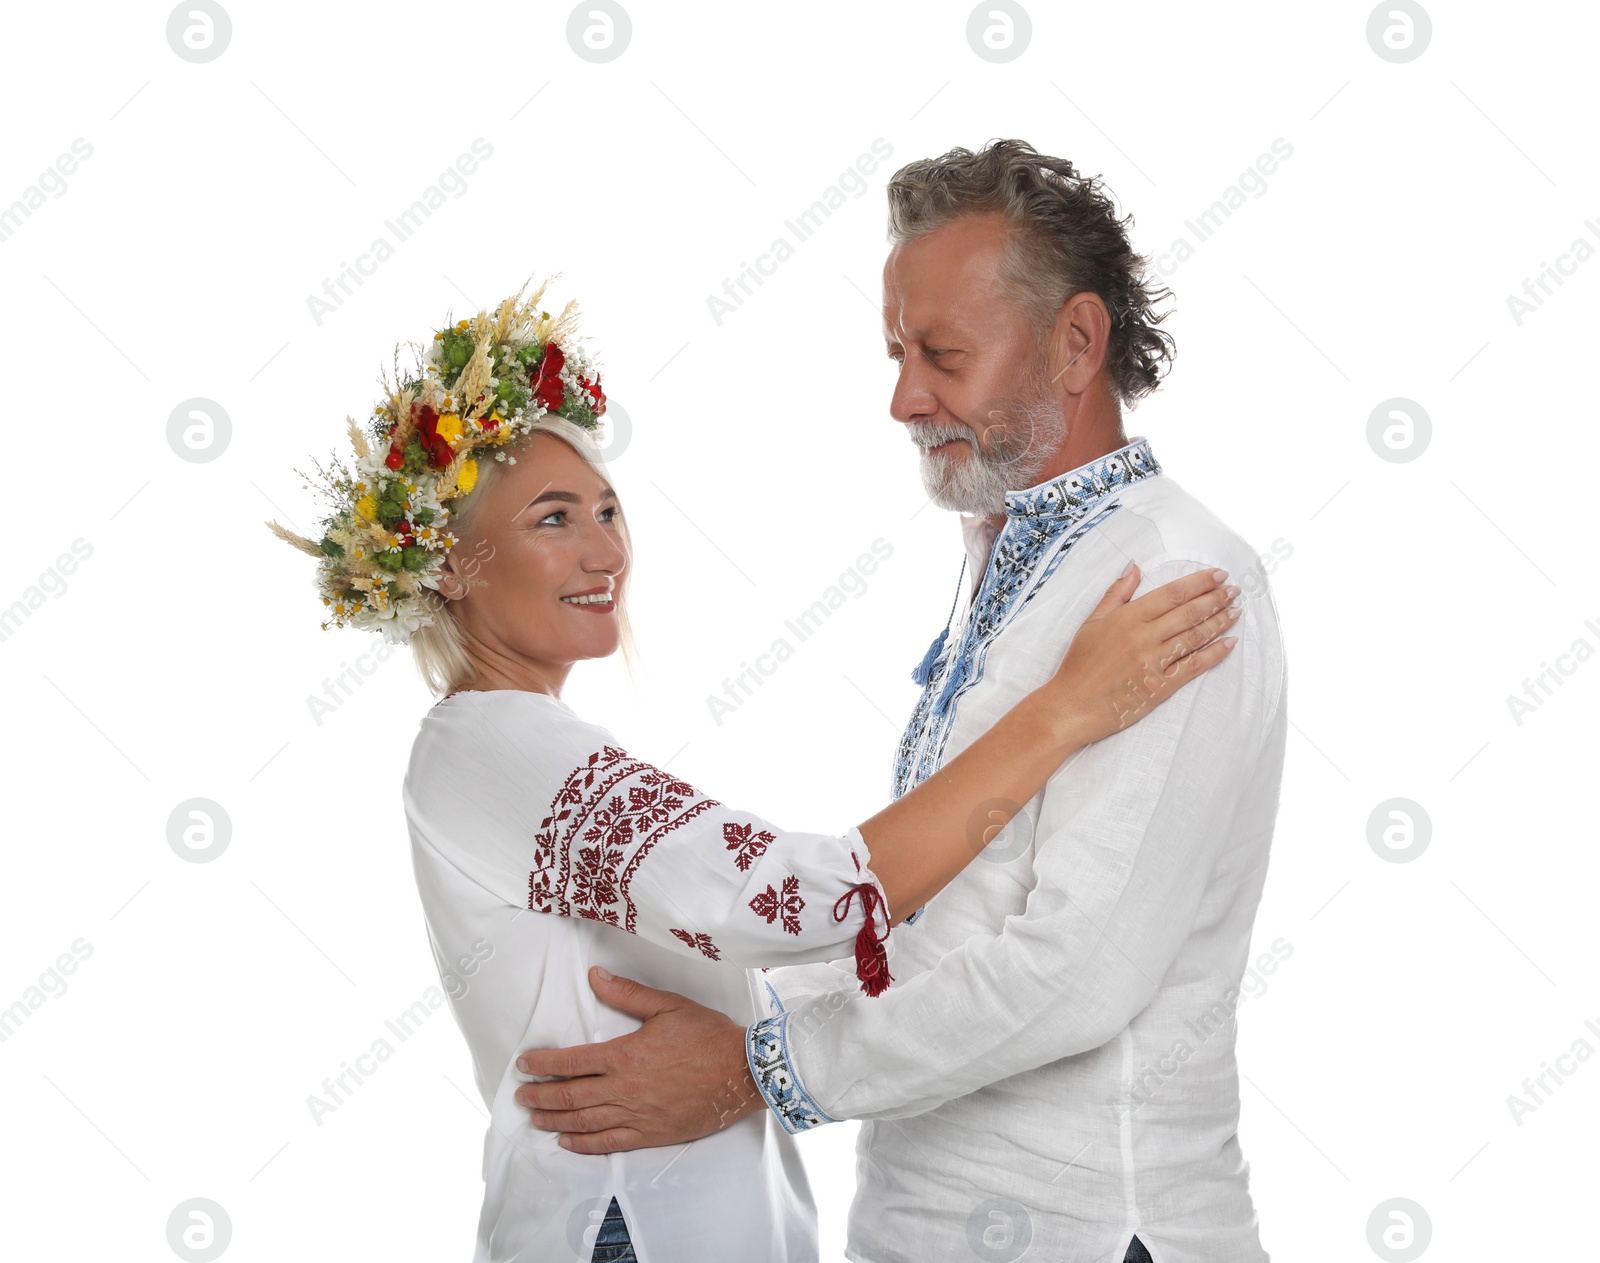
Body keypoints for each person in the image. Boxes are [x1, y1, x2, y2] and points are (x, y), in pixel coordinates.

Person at [267, 282, 1240, 1263]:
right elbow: (789, 903)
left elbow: (785, 951)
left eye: (606, 510)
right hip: (621, 1230)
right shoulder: (486, 747)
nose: (604, 549)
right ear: (448, 566)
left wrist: (752, 1061)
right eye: (553, 520)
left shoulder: (529, 743)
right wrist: (1061, 711)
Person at [514, 141, 1290, 1263]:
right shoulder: (1013, 550)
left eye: (943, 355)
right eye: (894, 352)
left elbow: (1075, 972)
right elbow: (924, 922)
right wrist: (726, 1008)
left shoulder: (1173, 582)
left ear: (1076, 343)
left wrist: (756, 1067)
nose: (902, 398)